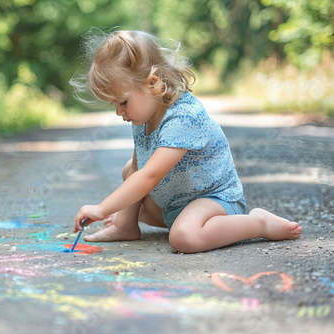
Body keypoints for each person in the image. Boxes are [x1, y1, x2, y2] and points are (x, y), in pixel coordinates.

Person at [69, 29, 302, 253]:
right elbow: (138, 168)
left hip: (214, 202)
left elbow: (149, 177)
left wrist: (101, 209)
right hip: (175, 205)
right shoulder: (143, 117)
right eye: (114, 105)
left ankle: (258, 223)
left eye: (123, 102)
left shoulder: (184, 116)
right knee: (130, 169)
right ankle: (126, 227)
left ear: (152, 84)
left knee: (184, 237)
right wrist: (123, 216)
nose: (120, 112)